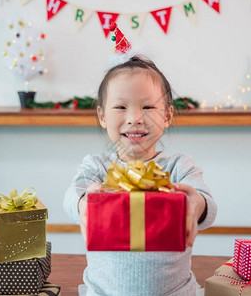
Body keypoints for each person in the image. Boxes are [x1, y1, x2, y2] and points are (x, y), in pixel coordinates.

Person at [63, 56, 217, 296]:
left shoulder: (179, 167)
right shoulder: (97, 168)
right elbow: (73, 196)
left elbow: (206, 205)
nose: (135, 118)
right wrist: (84, 202)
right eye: (121, 107)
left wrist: (196, 203)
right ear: (102, 116)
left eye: (147, 107)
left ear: (167, 116)